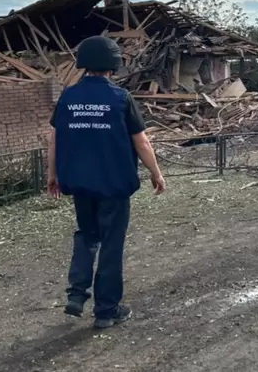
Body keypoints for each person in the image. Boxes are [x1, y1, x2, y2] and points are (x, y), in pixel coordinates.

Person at [47, 35, 167, 329]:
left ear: (83, 64)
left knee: (86, 236)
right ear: (113, 64)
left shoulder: (68, 97)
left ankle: (76, 295)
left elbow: (54, 137)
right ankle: (106, 310)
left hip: (79, 184)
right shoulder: (121, 98)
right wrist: (156, 172)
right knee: (111, 245)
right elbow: (141, 141)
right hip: (113, 186)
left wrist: (52, 175)